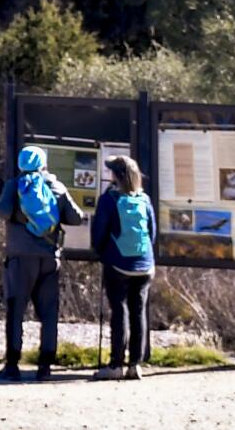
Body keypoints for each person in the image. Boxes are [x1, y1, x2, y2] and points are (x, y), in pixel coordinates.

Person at [0, 143, 81, 383]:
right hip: (49, 257)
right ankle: (45, 367)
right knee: (49, 313)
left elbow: (0, 212)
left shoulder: (14, 186)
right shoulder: (57, 186)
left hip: (20, 258)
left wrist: (19, 215)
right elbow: (76, 217)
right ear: (44, 163)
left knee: (16, 311)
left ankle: (12, 365)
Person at [90, 154, 156, 380]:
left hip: (118, 263)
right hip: (145, 264)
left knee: (120, 311)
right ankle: (135, 364)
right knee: (138, 312)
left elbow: (98, 233)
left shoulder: (109, 199)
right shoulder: (144, 199)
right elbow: (152, 233)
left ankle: (116, 364)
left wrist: (101, 252)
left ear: (116, 176)